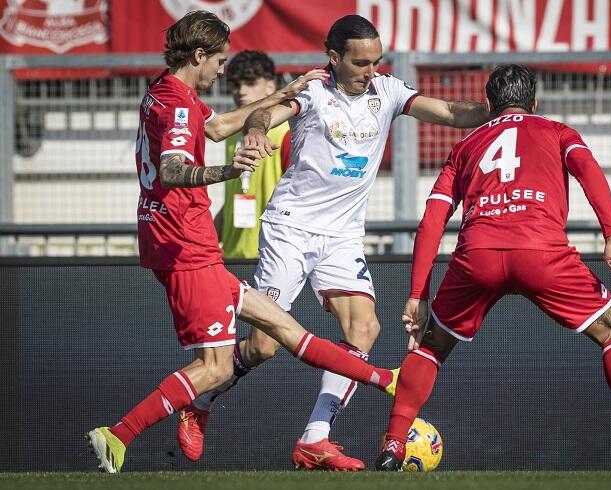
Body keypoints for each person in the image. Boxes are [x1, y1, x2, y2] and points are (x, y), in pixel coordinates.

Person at [85, 10, 397, 474]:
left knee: (285, 331)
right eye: (220, 61)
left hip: (188, 240)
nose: (222, 71)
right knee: (215, 367)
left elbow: (216, 127)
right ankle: (118, 435)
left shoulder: (167, 91)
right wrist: (227, 171)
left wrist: (283, 93)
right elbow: (172, 170)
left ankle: (384, 381)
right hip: (184, 244)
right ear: (198, 55)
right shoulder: (179, 105)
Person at [178, 14, 491, 471]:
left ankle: (315, 436)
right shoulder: (314, 93)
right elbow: (269, 112)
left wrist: (498, 111)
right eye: (361, 63)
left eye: (376, 61)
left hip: (342, 236)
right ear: (334, 59)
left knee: (365, 329)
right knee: (263, 346)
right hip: (290, 228)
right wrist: (256, 129)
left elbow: (448, 113)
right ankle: (200, 399)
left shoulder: (387, 91)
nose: (371, 71)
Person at [374, 64, 611, 472]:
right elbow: (588, 171)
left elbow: (433, 218)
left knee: (430, 346)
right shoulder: (558, 131)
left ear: (489, 104)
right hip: (542, 252)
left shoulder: (466, 145)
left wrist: (417, 294)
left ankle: (393, 446)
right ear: (535, 102)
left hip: (478, 254)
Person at [215, 50, 291, 259]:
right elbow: (235, 197)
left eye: (249, 83)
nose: (241, 91)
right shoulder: (230, 136)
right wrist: (209, 240)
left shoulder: (285, 132)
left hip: (270, 256)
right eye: (236, 84)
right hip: (231, 256)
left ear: (270, 86)